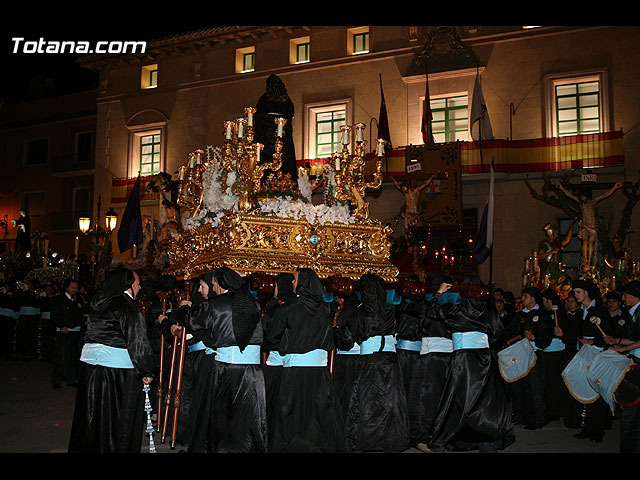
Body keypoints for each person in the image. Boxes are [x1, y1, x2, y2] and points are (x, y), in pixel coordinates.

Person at [68, 269, 156, 453]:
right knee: (115, 421)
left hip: (90, 368)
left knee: (91, 416)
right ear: (129, 285)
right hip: (117, 373)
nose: (140, 287)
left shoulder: (97, 304)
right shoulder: (128, 307)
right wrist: (147, 371)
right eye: (138, 283)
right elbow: (137, 341)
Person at [422, 281, 515, 453]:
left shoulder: (456, 310)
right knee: (483, 403)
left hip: (463, 361)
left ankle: (451, 438)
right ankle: (485, 443)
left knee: (458, 401)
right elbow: (498, 335)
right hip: (484, 360)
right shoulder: (488, 311)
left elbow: (431, 312)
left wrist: (439, 293)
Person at [184, 267, 266, 453]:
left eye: (213, 283)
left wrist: (183, 310)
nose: (213, 287)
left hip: (227, 369)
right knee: (248, 421)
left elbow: (192, 321)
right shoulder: (252, 302)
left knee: (222, 420)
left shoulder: (216, 304)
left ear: (222, 284)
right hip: (252, 371)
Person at [266, 267, 345, 453]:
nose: (292, 283)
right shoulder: (325, 309)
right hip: (319, 372)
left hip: (295, 370)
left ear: (302, 283)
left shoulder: (289, 308)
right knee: (317, 414)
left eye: (294, 279)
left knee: (291, 413)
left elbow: (271, 336)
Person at [335, 273, 409, 452]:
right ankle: (391, 443)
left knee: (368, 406)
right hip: (391, 361)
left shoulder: (361, 312)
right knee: (391, 404)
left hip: (370, 362)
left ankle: (368, 443)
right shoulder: (390, 310)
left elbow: (346, 340)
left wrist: (335, 330)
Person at [408, 277, 455, 452]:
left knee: (444, 398)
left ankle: (441, 435)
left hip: (448, 356)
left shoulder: (453, 307)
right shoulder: (427, 306)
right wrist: (437, 296)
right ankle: (422, 437)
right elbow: (424, 323)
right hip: (430, 356)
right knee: (426, 399)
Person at [570, 278, 613, 442]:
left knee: (597, 391)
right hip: (585, 353)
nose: (575, 295)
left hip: (597, 353)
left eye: (578, 292)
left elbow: (609, 335)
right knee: (586, 388)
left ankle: (598, 429)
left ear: (586, 293)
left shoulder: (599, 311)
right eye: (574, 292)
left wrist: (593, 341)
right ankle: (587, 427)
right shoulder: (582, 311)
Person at [509, 287, 554, 430]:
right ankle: (519, 415)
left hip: (534, 353)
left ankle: (538, 418)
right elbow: (511, 330)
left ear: (533, 298)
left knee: (535, 387)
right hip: (520, 354)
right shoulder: (520, 315)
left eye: (525, 296)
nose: (523, 299)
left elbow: (547, 335)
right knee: (518, 385)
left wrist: (534, 336)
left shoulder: (542, 315)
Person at [260, 272, 296, 449]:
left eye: (275, 285)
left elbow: (272, 332)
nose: (272, 288)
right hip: (274, 361)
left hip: (284, 362)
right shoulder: (273, 305)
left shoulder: (290, 308)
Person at [603, 280, 640, 452]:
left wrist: (624, 348)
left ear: (633, 296)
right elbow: (633, 339)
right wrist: (616, 340)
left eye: (625, 295)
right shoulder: (634, 313)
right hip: (633, 360)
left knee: (630, 410)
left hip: (637, 364)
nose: (623, 298)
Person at [557, 181, 622, 271]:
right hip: (584, 225)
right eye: (581, 197)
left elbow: (605, 195)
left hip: (592, 226)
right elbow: (570, 196)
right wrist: (562, 188)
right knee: (584, 242)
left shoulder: (593, 202)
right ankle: (586, 260)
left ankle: (589, 260)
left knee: (590, 243)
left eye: (582, 196)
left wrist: (615, 187)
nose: (582, 198)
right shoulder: (581, 204)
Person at [254, 74, 297, 181]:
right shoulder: (287, 101)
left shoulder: (264, 99)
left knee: (266, 166)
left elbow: (259, 118)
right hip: (283, 140)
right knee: (284, 164)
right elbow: (290, 117)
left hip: (266, 140)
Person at [540, 288, 571, 422]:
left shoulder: (559, 313)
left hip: (557, 352)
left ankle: (555, 410)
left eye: (544, 301)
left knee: (554, 383)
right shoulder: (546, 313)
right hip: (548, 352)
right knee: (548, 382)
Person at [50, 279, 84, 388]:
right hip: (64, 331)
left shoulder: (78, 300)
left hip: (75, 331)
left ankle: (71, 379)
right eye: (72, 287)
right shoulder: (59, 300)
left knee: (73, 356)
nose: (75, 290)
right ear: (67, 288)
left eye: (76, 288)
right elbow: (55, 315)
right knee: (60, 356)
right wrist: (61, 326)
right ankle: (56, 380)